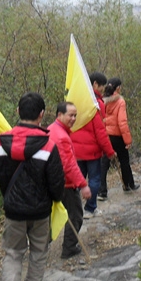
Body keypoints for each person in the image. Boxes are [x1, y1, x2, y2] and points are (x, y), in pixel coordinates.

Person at [0, 92, 65, 281]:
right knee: (38, 254)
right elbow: (56, 184)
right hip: (40, 213)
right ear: (42, 115)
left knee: (13, 253)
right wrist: (55, 200)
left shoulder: (1, 141)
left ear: (18, 112)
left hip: (13, 212)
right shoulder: (48, 145)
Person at [48, 101, 92, 259]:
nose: (73, 118)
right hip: (65, 183)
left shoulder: (51, 129)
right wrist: (83, 185)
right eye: (70, 115)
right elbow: (69, 165)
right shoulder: (61, 136)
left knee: (50, 216)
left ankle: (40, 245)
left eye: (75, 115)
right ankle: (68, 248)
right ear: (59, 115)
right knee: (75, 215)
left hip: (52, 181)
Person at [71, 71, 116, 217]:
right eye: (102, 86)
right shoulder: (95, 105)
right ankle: (90, 209)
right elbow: (100, 132)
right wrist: (109, 151)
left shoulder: (75, 101)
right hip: (92, 151)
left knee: (77, 180)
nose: (103, 89)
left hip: (76, 150)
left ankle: (72, 208)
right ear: (95, 84)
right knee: (94, 179)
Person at [101, 77, 140, 193]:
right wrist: (128, 140)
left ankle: (101, 191)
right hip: (117, 136)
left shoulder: (102, 101)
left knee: (104, 163)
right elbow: (122, 122)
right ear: (118, 88)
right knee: (124, 160)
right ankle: (128, 184)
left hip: (105, 135)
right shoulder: (120, 101)